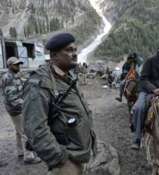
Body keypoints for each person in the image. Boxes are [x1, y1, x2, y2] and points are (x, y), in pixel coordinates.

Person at [23, 33, 96, 175]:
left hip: (80, 155)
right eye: (69, 50)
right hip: (66, 162)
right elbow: (35, 129)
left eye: (75, 50)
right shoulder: (39, 83)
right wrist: (60, 160)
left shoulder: (68, 77)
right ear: (54, 55)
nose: (74, 54)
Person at [2, 57, 41, 164]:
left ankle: (20, 151)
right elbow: (12, 98)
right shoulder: (8, 77)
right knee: (25, 131)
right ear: (9, 66)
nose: (18, 66)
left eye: (19, 64)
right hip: (16, 109)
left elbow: (22, 86)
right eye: (16, 64)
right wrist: (26, 105)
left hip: (17, 107)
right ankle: (29, 156)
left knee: (19, 131)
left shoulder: (15, 75)